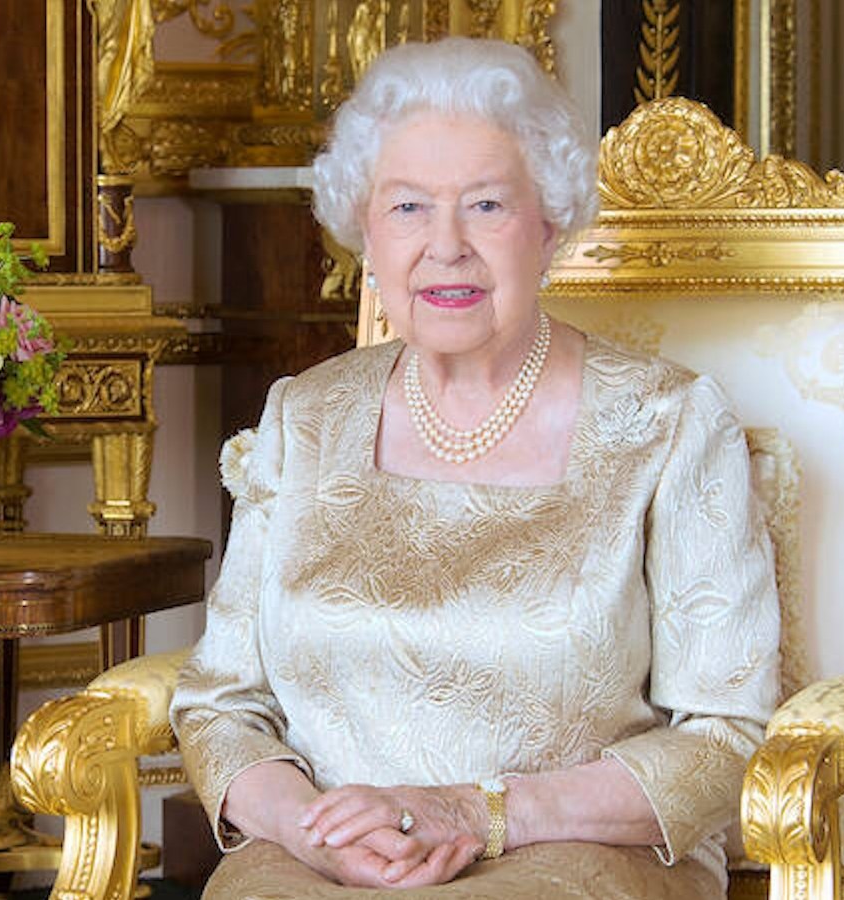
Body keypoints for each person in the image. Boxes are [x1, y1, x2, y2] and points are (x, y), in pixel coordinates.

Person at [170, 36, 781, 899]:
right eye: (408, 208)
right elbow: (221, 703)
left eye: (487, 205)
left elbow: (723, 738)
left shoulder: (665, 423)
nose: (445, 245)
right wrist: (312, 830)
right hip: (323, 857)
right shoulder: (303, 417)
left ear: (549, 222)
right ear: (366, 234)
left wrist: (482, 812)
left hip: (580, 855)